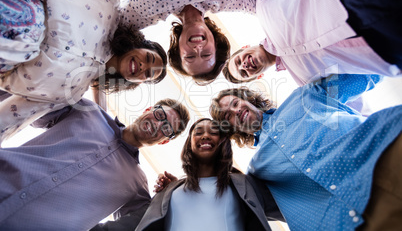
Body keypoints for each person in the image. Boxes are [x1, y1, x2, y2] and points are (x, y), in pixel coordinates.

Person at [210, 74, 402, 230]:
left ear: (247, 99)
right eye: (228, 116)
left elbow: (367, 73)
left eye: (235, 103)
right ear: (231, 129)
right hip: (346, 225)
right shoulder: (257, 172)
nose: (235, 111)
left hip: (386, 156)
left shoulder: (303, 97)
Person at [0, 0, 167, 141]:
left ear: (136, 82)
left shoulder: (72, 93)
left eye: (148, 74)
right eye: (148, 58)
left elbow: (16, 115)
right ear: (139, 45)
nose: (143, 66)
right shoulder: (109, 7)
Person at [0, 97, 190, 230]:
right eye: (159, 116)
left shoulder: (138, 186)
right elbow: (29, 106)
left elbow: (143, 224)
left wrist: (167, 194)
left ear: (164, 140)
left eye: (166, 128)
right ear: (148, 110)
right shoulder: (87, 110)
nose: (157, 125)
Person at [223, 0, 402, 84]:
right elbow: (344, 97)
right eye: (244, 73)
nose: (243, 65)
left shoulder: (263, 6)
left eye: (238, 61)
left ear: (245, 47)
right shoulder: (305, 83)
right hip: (384, 45)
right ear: (258, 76)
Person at [94, 118, 284, 230]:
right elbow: (133, 223)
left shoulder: (245, 184)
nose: (205, 135)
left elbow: (291, 206)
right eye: (198, 132)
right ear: (190, 144)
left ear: (223, 142)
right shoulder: (170, 191)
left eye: (213, 132)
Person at [119, 0, 256, 84]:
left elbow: (108, 29)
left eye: (190, 56)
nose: (197, 49)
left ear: (178, 50)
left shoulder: (147, 10)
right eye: (206, 55)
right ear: (215, 45)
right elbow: (270, 3)